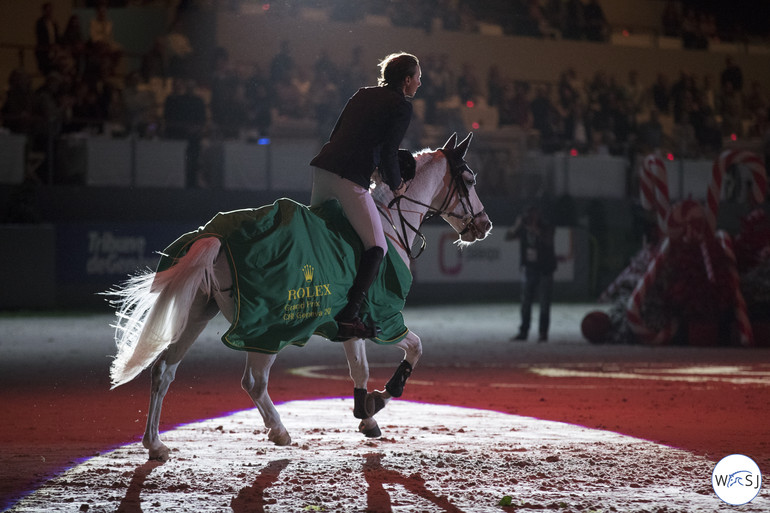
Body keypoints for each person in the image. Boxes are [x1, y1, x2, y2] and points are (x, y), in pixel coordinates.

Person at [309, 51, 421, 340]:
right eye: (418, 78)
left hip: (323, 168)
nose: (419, 84)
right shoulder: (401, 107)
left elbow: (337, 133)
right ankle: (349, 316)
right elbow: (388, 151)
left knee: (321, 236)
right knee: (376, 247)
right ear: (407, 80)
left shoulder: (362, 94)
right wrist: (396, 184)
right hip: (349, 178)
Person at [506, 204, 557, 342]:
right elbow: (508, 236)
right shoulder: (523, 227)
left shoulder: (546, 226)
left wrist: (534, 229)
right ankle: (523, 331)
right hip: (529, 269)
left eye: (533, 214)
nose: (530, 217)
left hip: (545, 270)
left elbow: (548, 240)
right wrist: (517, 225)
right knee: (525, 303)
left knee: (544, 303)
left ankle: (543, 333)